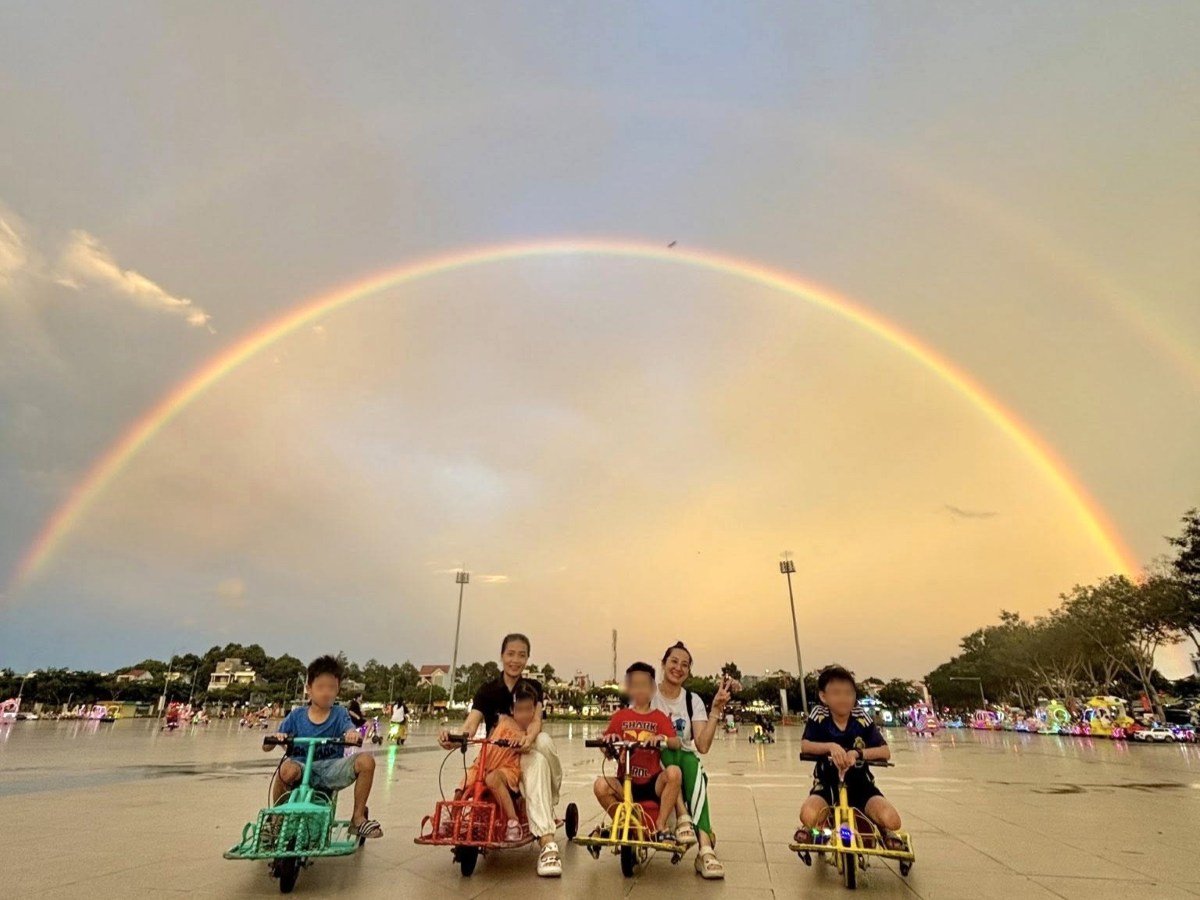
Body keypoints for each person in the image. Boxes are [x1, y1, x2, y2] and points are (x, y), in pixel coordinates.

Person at [439, 633, 564, 877]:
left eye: (522, 655)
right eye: (511, 654)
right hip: (497, 755)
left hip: (523, 749)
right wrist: (452, 738)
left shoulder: (533, 688)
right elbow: (470, 725)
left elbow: (537, 720)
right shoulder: (487, 691)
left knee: (543, 744)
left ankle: (548, 829)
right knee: (471, 780)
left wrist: (528, 738)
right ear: (502, 655)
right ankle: (546, 841)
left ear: (527, 659)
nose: (515, 660)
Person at [268, 655, 382, 840]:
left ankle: (358, 818)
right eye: (320, 687)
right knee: (286, 769)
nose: (326, 692)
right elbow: (269, 745)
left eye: (332, 688)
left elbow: (349, 728)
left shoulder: (339, 714)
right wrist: (278, 738)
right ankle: (276, 819)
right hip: (301, 767)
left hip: (331, 768)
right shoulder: (296, 715)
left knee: (366, 762)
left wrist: (352, 734)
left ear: (337, 690)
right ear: (309, 690)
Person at [797, 665, 903, 848]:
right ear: (824, 696)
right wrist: (831, 747)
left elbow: (885, 751)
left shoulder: (861, 716)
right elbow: (805, 745)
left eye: (848, 693)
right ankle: (818, 828)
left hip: (861, 785)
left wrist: (857, 753)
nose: (843, 698)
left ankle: (883, 833)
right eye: (836, 693)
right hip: (828, 785)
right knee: (808, 815)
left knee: (891, 820)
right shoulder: (820, 715)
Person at [652, 641, 732, 879]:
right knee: (666, 748)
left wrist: (716, 710)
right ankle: (683, 815)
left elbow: (702, 745)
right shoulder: (649, 695)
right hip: (654, 765)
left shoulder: (692, 700)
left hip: (685, 765)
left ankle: (705, 850)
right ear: (663, 664)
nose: (679, 668)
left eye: (685, 665)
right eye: (674, 661)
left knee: (692, 762)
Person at [594, 662, 684, 843]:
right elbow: (607, 748)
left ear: (652, 688)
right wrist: (606, 743)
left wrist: (661, 738)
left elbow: (677, 742)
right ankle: (620, 823)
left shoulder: (659, 717)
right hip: (625, 781)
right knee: (600, 785)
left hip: (652, 782)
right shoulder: (620, 717)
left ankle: (660, 824)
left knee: (674, 772)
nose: (640, 689)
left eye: (644, 684)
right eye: (634, 685)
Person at [460, 680, 540, 842]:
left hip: (506, 769)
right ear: (512, 710)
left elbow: (533, 733)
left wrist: (524, 742)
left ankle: (513, 821)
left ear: (534, 710)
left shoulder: (527, 731)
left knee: (492, 779)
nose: (524, 714)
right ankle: (454, 817)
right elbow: (476, 728)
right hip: (485, 764)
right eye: (519, 710)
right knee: (464, 781)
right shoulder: (503, 721)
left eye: (528, 710)